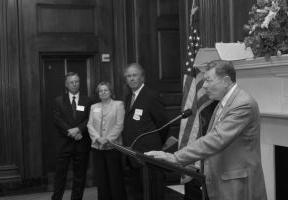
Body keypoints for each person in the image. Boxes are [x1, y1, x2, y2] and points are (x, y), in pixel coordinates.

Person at [146, 60, 267, 200]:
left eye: (209, 80)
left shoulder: (243, 104)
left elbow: (216, 139)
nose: (204, 86)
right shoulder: (222, 103)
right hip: (220, 181)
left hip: (238, 185)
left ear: (226, 81)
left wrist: (175, 157)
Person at [122, 63, 168, 200]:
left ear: (142, 77)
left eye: (134, 75)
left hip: (149, 154)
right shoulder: (127, 97)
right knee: (137, 192)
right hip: (132, 153)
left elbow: (164, 124)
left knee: (153, 192)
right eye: (128, 76)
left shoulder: (151, 95)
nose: (131, 79)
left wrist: (157, 143)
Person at [52, 72, 93, 200]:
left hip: (81, 143)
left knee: (80, 177)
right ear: (66, 84)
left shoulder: (88, 100)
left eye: (77, 81)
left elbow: (90, 119)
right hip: (64, 144)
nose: (75, 84)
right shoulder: (58, 101)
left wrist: (79, 129)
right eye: (71, 82)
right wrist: (71, 131)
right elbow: (57, 119)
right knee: (60, 176)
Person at [87, 82, 127, 200]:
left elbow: (120, 124)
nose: (103, 92)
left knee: (115, 177)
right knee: (101, 178)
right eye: (101, 91)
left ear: (111, 92)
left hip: (113, 146)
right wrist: (98, 138)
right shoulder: (94, 107)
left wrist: (107, 139)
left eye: (106, 90)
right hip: (97, 147)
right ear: (98, 94)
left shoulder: (118, 105)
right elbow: (89, 125)